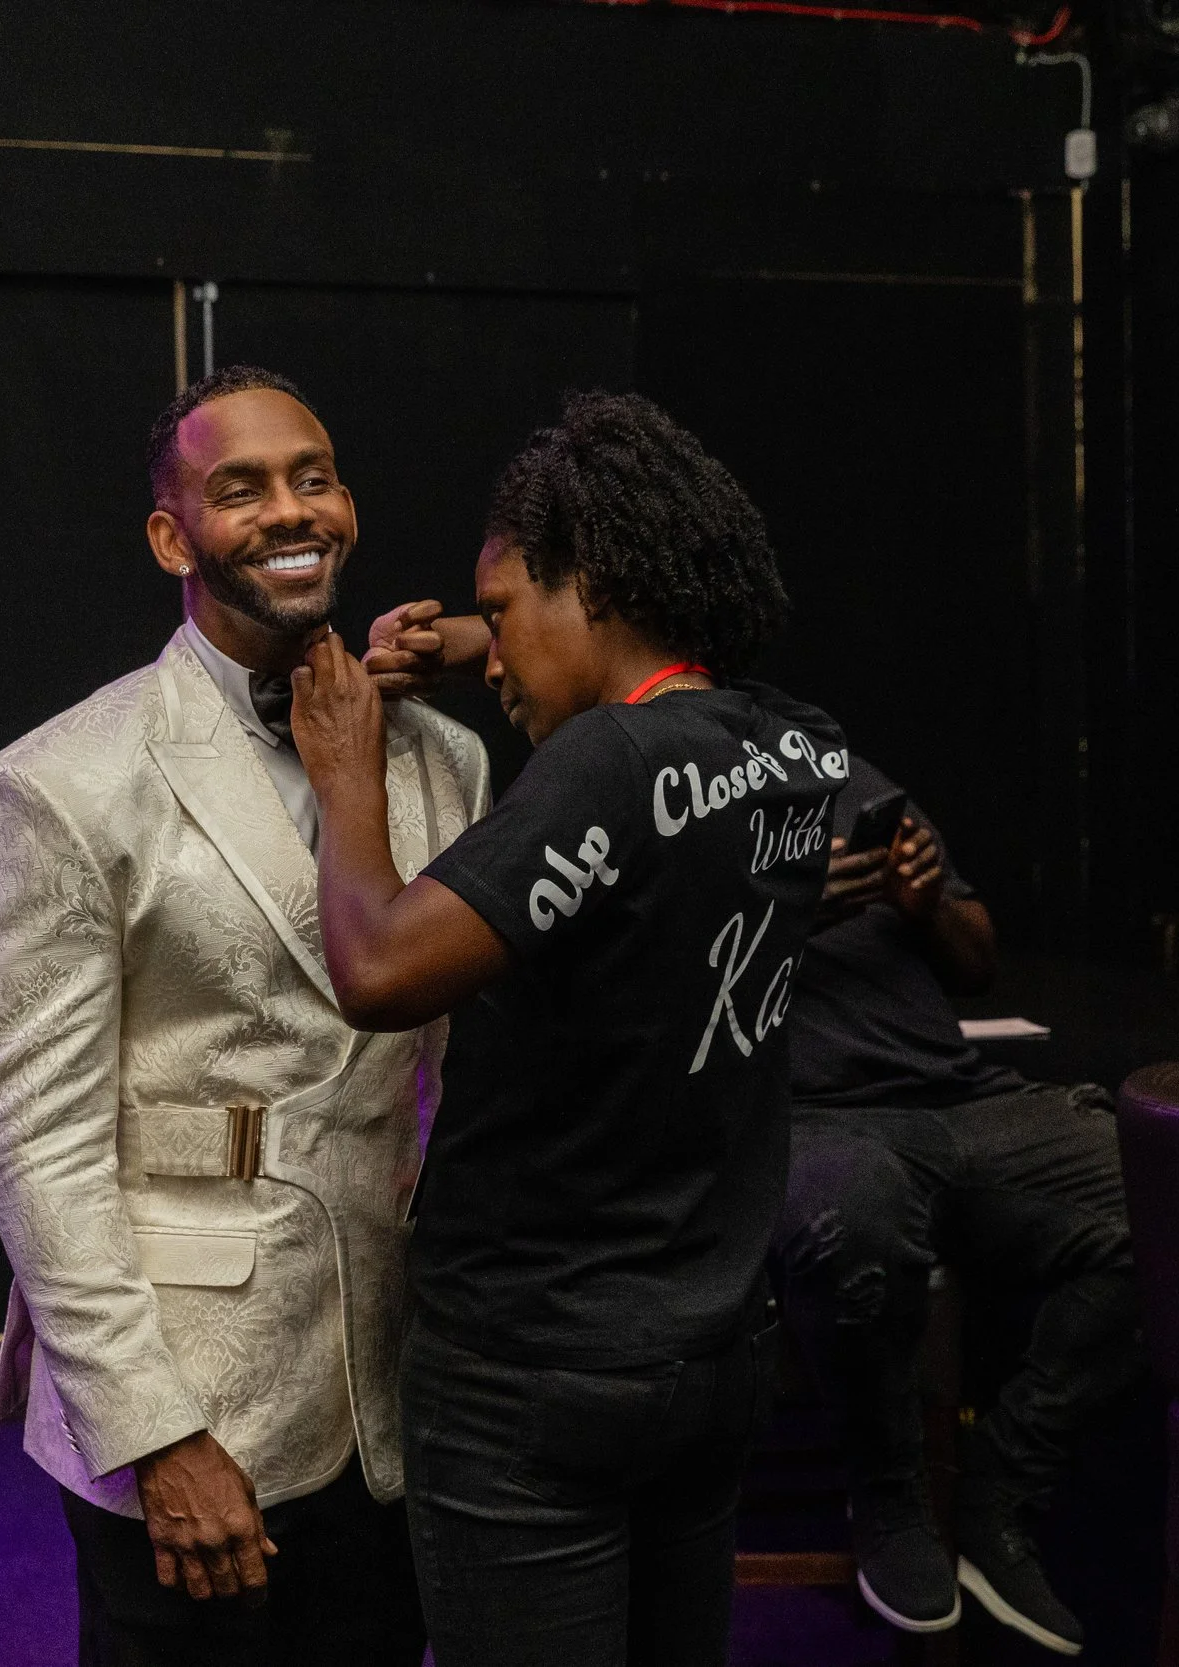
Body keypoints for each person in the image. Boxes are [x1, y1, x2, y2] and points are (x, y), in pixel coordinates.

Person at [0, 365, 489, 1666]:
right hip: (195, 1386)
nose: (291, 510)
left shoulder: (443, 757)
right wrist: (155, 1430)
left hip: (404, 1384)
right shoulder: (55, 785)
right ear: (172, 537)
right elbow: (37, 1147)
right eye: (241, 489)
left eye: (314, 477)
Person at [286, 391, 849, 1667]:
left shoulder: (604, 763)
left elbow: (379, 967)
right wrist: (479, 641)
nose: (489, 655)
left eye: (501, 612)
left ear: (588, 581)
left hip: (532, 1370)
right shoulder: (801, 749)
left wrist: (346, 771)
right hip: (707, 1353)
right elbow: (652, 776)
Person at [773, 773, 1138, 1657]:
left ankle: (999, 1487)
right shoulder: (666, 794)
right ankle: (890, 1494)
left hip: (959, 1098)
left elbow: (977, 961)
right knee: (853, 1216)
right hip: (815, 1115)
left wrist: (929, 903)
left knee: (1167, 1205)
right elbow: (635, 986)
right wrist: (786, 910)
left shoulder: (842, 775)